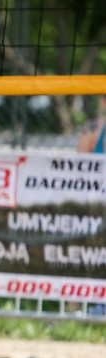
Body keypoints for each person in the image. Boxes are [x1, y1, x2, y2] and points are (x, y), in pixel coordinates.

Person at [76, 95, 105, 316]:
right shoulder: (92, 130)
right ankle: (81, 308)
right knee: (90, 252)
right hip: (96, 204)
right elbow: (76, 170)